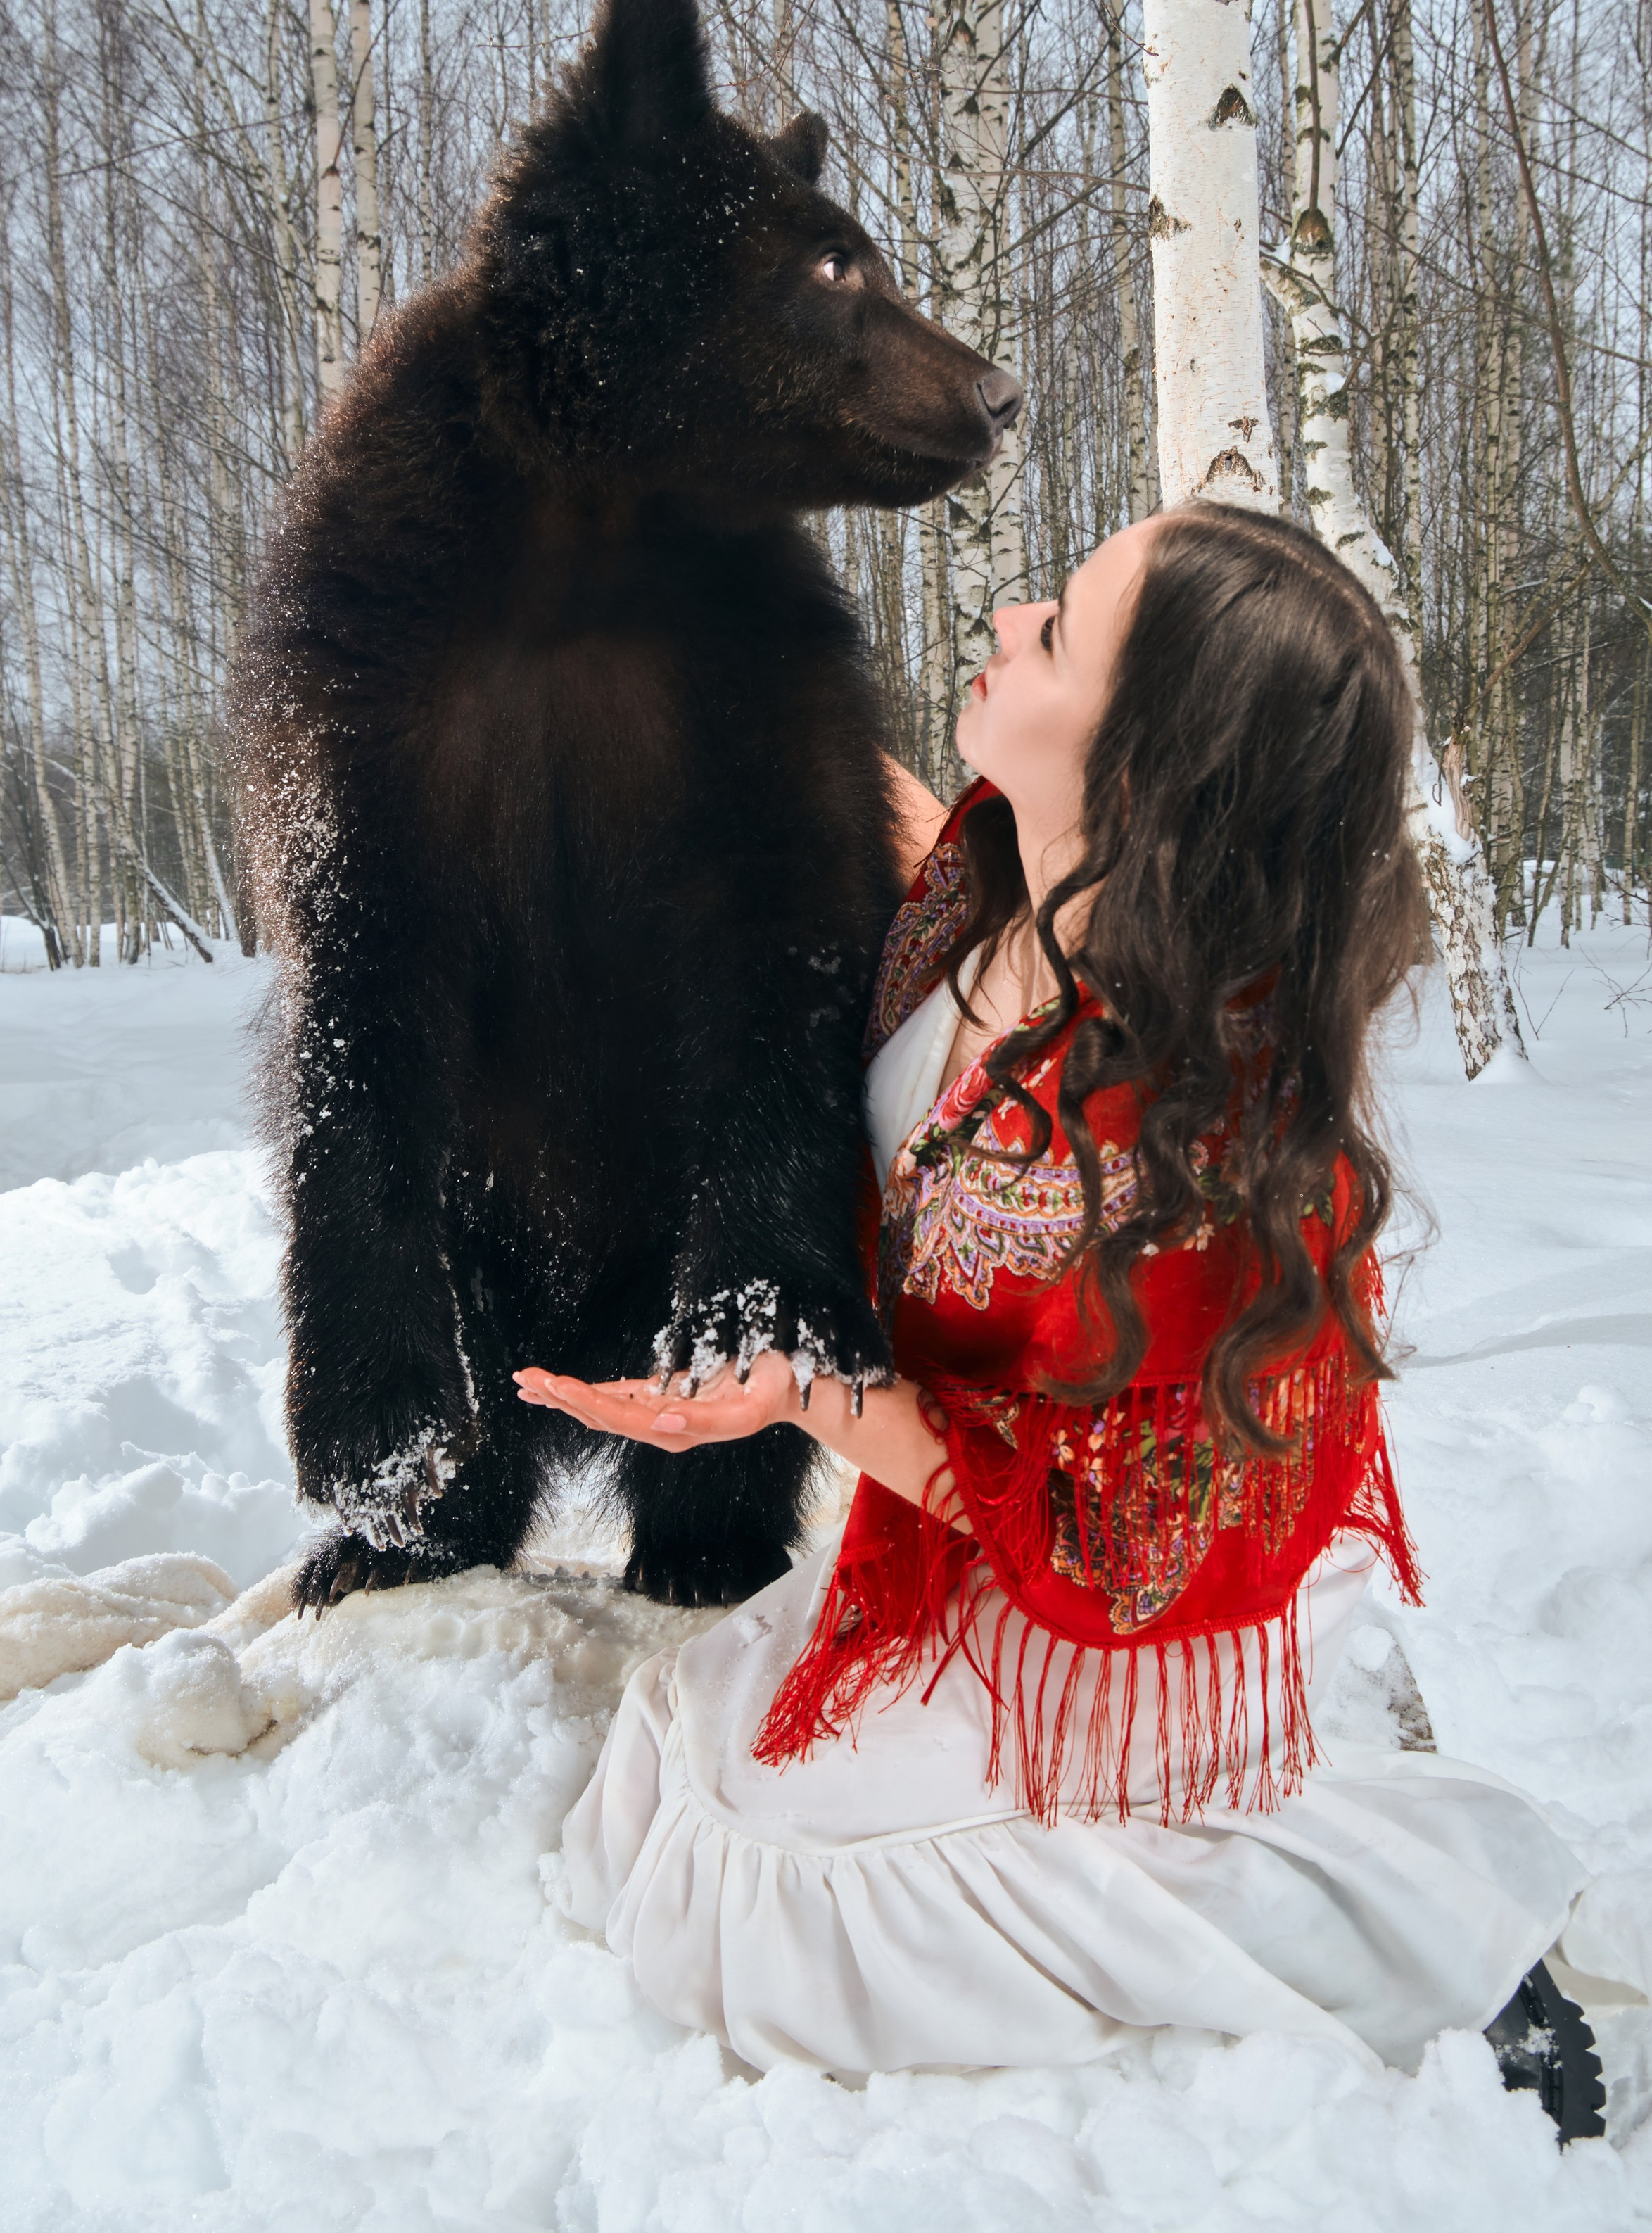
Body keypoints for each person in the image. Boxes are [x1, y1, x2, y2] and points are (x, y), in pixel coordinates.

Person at [517, 502, 1591, 2104]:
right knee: (679, 1751)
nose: (1010, 612)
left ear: (1145, 771)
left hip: (1100, 1617)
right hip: (971, 1557)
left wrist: (802, 1396)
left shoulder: (1187, 1153)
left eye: (1060, 632)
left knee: (758, 1903)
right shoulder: (1000, 873)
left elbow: (1089, 1545)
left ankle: (1349, 1927)